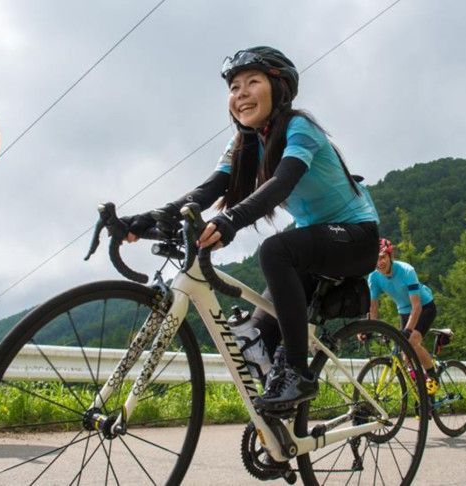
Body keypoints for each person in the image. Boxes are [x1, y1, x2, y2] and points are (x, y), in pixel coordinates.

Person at [122, 46, 380, 411]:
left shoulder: (300, 128)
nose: (240, 93)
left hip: (355, 237)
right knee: (253, 339)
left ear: (280, 90)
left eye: (252, 82)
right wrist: (149, 218)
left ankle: (297, 373)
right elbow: (209, 190)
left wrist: (230, 221)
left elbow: (281, 183)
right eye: (234, 87)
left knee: (275, 250)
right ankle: (284, 423)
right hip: (312, 249)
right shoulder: (243, 142)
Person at [368, 238, 439, 395]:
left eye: (382, 257)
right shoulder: (374, 277)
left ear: (390, 256)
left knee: (412, 342)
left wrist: (407, 330)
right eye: (375, 258)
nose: (379, 262)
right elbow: (373, 307)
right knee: (405, 355)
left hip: (424, 307)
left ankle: (433, 378)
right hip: (404, 311)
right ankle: (421, 392)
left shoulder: (407, 271)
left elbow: (417, 306)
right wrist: (369, 329)